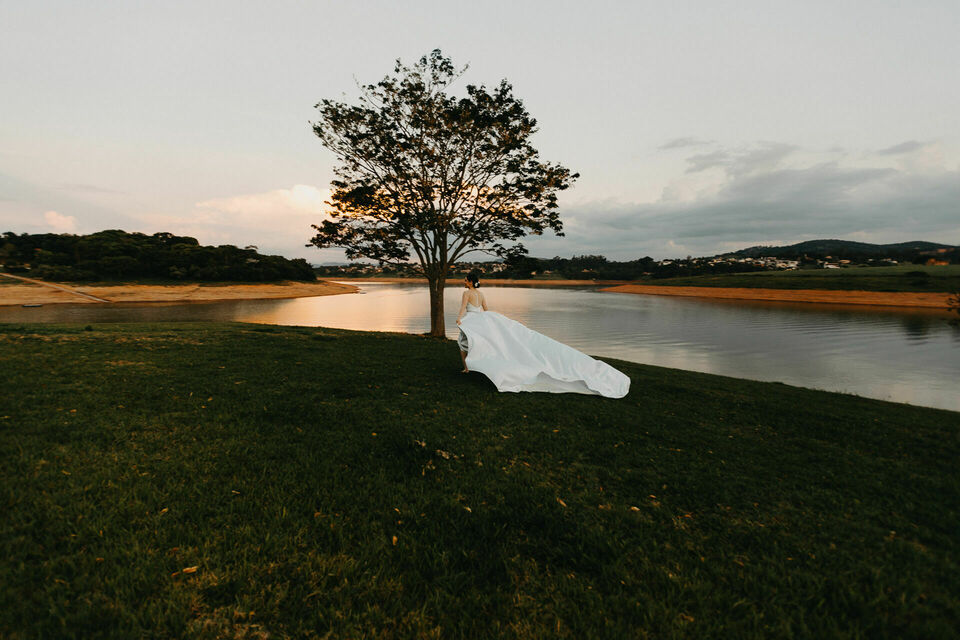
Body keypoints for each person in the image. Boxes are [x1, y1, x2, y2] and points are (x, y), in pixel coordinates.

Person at [455, 271, 630, 398]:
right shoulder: (481, 293)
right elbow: (486, 310)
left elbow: (464, 308)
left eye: (465, 279)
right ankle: (470, 366)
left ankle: (467, 368)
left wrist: (459, 319)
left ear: (470, 282)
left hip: (472, 320)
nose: (464, 281)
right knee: (481, 343)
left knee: (463, 341)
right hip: (484, 319)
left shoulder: (466, 293)